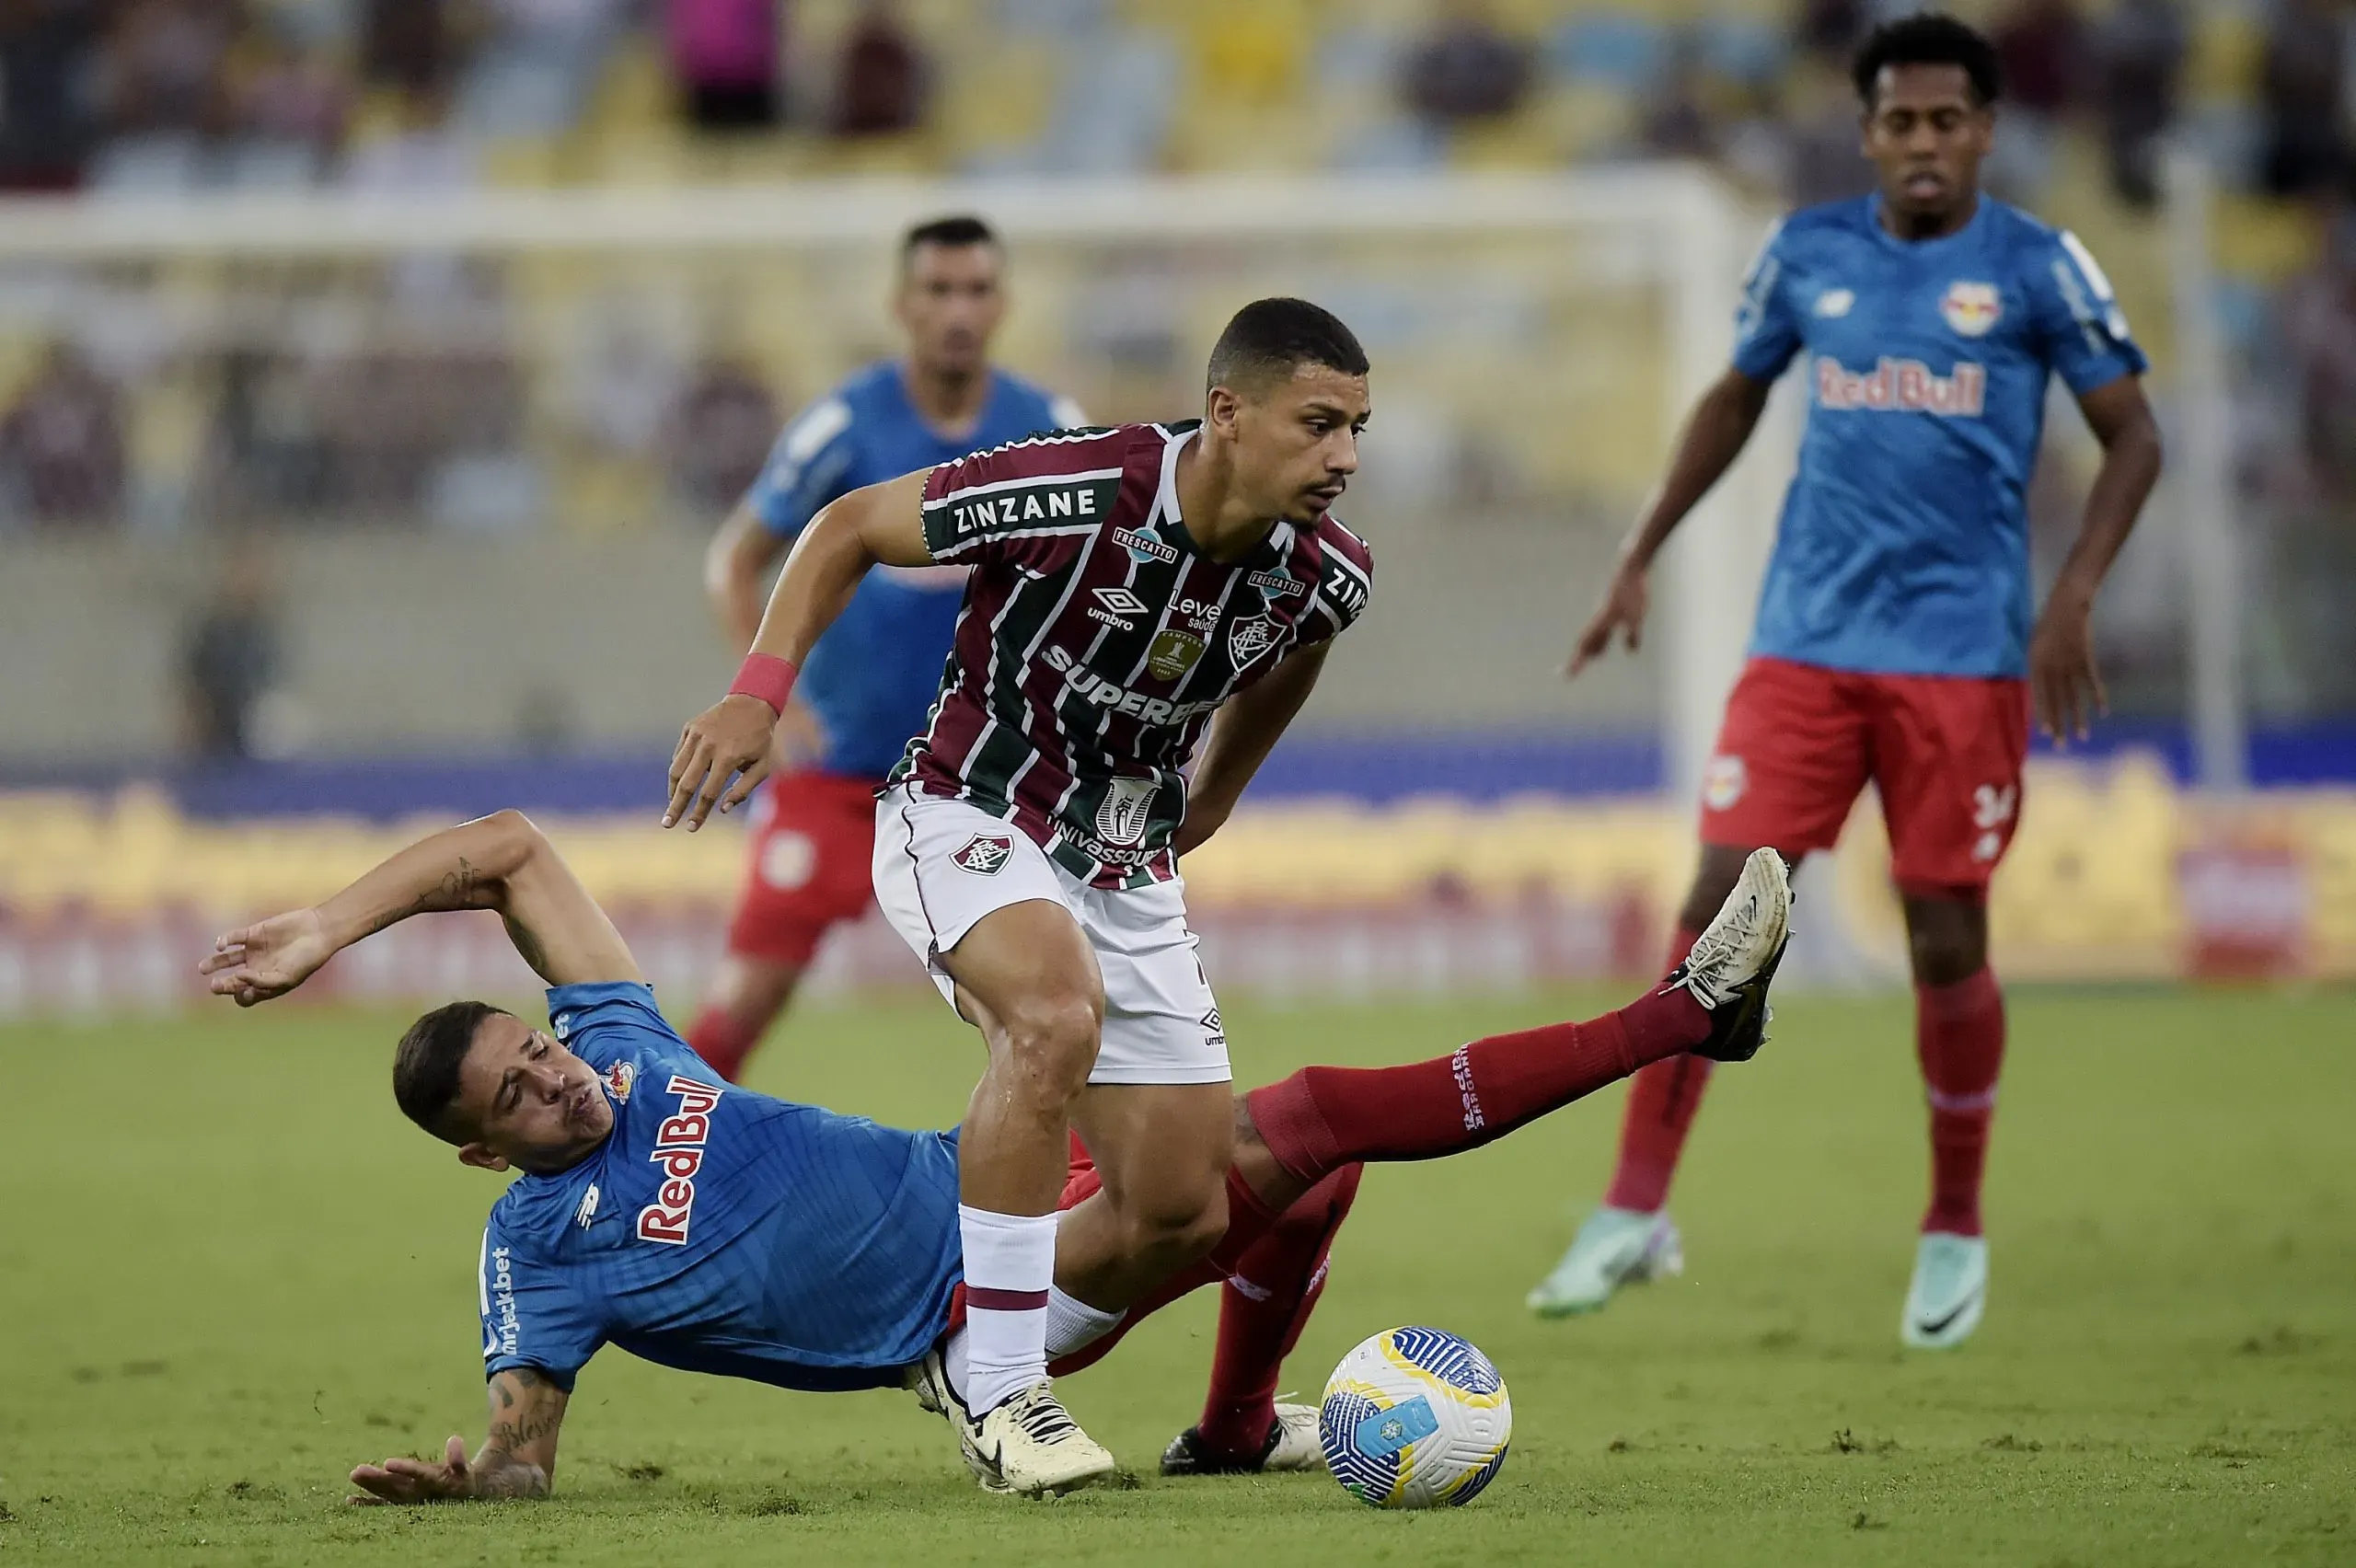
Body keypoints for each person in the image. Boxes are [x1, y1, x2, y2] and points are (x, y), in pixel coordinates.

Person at [195, 810, 1790, 1503]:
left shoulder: (617, 1041)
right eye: (522, 1096)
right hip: (977, 1305)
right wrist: (473, 1486)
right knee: (1294, 1121)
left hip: (993, 1171)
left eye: (536, 1043)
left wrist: (331, 924)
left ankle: (1235, 1432)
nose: (559, 1077)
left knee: (1311, 1170)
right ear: (487, 1157)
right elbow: (529, 1442)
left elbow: (508, 851)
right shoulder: (537, 1256)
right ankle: (1677, 1014)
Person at [662, 297, 1378, 1492]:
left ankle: (954, 1334)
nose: (1345, 456)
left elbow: (1298, 647)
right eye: (1318, 424)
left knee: (1183, 1215)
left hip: (1127, 859)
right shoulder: (1075, 486)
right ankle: (1003, 1391)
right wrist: (759, 691)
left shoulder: (1326, 577)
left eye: (1357, 427)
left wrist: (1218, 795)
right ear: (1227, 414)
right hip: (966, 808)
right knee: (1050, 1017)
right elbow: (845, 526)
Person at [1530, 12, 2162, 1350]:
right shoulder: (1808, 255)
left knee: (1945, 939)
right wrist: (1639, 551)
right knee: (1719, 910)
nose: (1922, 142)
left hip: (1963, 664)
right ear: (1867, 131)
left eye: (1947, 121)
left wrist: (2073, 598)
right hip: (1805, 647)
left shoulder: (2040, 269)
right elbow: (1734, 400)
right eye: (1899, 121)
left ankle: (1952, 1224)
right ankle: (1636, 1204)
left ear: (1984, 131)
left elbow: (2134, 435)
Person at [689, 215, 1082, 1085]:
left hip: (981, 781)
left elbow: (1088, 580)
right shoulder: (844, 426)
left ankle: (1077, 1205)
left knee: (1047, 1011)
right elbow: (733, 561)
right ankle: (647, 1175)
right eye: (939, 291)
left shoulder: (1049, 429)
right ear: (902, 304)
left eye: (976, 291)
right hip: (838, 776)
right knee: (742, 1003)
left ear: (1002, 304)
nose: (958, 311)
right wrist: (773, 698)